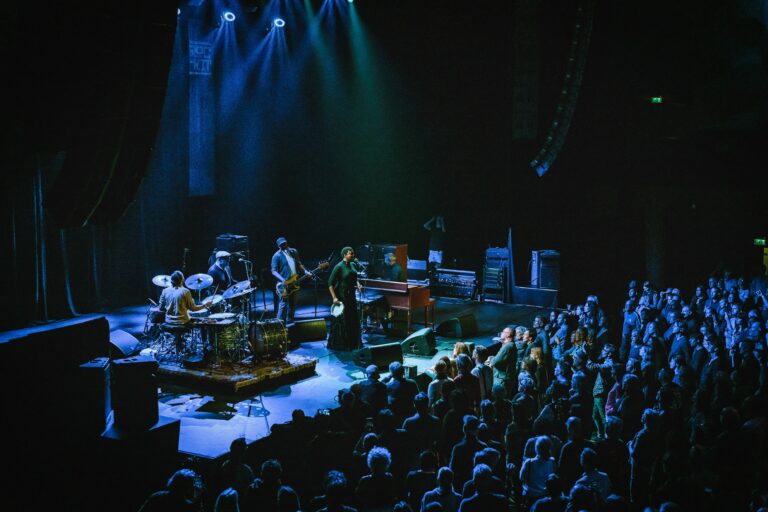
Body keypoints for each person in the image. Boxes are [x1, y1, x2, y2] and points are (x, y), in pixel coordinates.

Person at [327, 246, 363, 350]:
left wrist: (358, 284)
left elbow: (353, 277)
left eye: (353, 253)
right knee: (343, 320)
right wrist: (334, 298)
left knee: (352, 318)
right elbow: (330, 283)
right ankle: (342, 344)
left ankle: (352, 343)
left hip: (351, 295)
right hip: (342, 295)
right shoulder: (339, 266)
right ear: (344, 255)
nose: (353, 255)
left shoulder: (353, 264)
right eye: (350, 254)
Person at [271, 237, 310, 324]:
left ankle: (290, 322)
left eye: (285, 243)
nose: (284, 245)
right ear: (279, 246)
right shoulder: (276, 256)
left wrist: (305, 272)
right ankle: (279, 325)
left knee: (293, 304)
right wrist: (282, 280)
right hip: (284, 284)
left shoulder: (294, 252)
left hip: (295, 281)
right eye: (282, 245)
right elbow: (273, 271)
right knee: (283, 305)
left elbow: (299, 264)